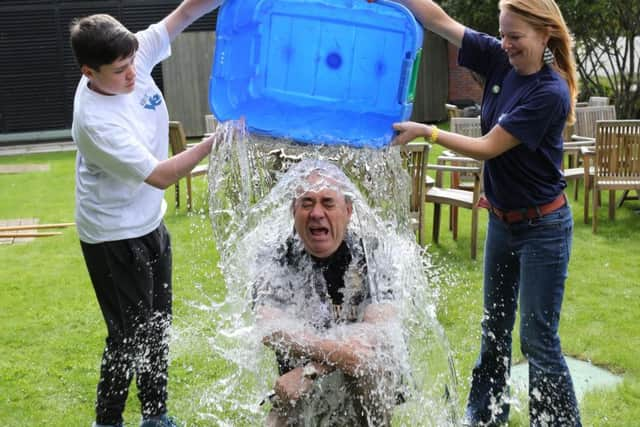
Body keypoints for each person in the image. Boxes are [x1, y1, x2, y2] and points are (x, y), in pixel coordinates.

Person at [390, 0, 581, 426]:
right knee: (494, 331)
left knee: (536, 339)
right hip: (502, 221)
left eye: (516, 36)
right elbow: (438, 20)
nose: (506, 44)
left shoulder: (548, 92)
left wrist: (430, 131)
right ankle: (484, 418)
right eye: (503, 34)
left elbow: (488, 147)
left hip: (543, 229)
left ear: (544, 34)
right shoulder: (499, 58)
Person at [69, 1, 223, 426]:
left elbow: (183, 15)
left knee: (158, 327)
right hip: (113, 233)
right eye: (119, 71)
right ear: (89, 72)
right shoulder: (96, 122)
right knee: (127, 337)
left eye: (132, 61)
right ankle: (109, 421)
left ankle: (155, 416)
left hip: (149, 220)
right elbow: (159, 175)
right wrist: (213, 142)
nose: (133, 74)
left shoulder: (131, 53)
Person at [252, 160, 405, 427]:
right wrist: (335, 352)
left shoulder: (371, 252)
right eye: (307, 203)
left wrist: (312, 369)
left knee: (373, 365)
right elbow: (270, 326)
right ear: (293, 211)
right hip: (298, 386)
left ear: (348, 210)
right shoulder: (276, 255)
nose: (317, 213)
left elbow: (378, 329)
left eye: (328, 202)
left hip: (353, 379)